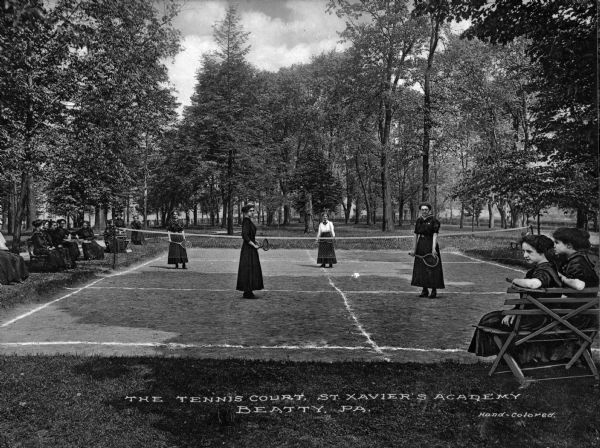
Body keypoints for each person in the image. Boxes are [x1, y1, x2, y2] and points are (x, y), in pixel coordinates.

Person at [468, 234, 562, 363]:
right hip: (538, 315)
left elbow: (534, 284)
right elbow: (532, 299)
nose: (524, 255)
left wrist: (516, 280)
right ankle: (511, 358)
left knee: (489, 320)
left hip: (537, 319)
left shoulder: (544, 271)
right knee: (493, 318)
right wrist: (515, 311)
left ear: (542, 252)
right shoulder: (547, 268)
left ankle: (508, 358)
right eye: (523, 251)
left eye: (529, 251)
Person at [549, 227, 599, 360]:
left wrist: (559, 276)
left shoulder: (577, 262)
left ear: (569, 245)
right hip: (583, 312)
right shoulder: (578, 260)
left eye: (557, 243)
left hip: (579, 316)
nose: (554, 246)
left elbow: (579, 286)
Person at [409, 202, 445, 298]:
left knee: (433, 268)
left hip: (430, 245)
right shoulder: (419, 221)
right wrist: (414, 248)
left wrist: (433, 248)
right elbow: (416, 234)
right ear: (420, 210)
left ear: (429, 210)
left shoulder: (434, 221)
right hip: (421, 245)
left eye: (426, 209)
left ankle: (433, 290)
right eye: (422, 209)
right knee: (421, 268)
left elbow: (435, 235)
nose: (424, 211)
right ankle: (424, 290)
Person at [236, 204, 264, 299]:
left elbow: (249, 235)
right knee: (248, 269)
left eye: (253, 210)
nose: (253, 212)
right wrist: (253, 245)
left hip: (250, 248)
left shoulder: (248, 221)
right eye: (251, 211)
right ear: (246, 212)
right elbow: (244, 235)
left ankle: (249, 291)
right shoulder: (246, 221)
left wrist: (255, 241)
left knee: (251, 269)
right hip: (248, 249)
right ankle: (247, 292)